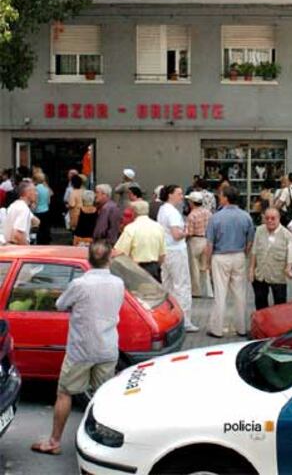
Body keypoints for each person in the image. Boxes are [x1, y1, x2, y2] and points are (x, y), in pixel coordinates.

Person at [30, 240, 124, 455]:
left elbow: (60, 304)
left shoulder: (80, 284)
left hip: (81, 349)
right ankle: (105, 445)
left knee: (64, 393)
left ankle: (54, 441)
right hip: (108, 348)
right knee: (104, 397)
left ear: (88, 259)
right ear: (110, 258)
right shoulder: (118, 283)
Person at [205, 186, 255, 338]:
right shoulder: (246, 216)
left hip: (220, 256)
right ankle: (241, 327)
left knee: (220, 294)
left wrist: (207, 262)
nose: (219, 197)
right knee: (240, 294)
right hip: (239, 255)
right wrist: (244, 254)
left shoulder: (216, 217)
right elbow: (250, 241)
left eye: (221, 195)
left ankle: (217, 328)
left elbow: (209, 244)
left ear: (226, 198)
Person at [157, 185, 199, 332]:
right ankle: (185, 320)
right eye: (179, 193)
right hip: (176, 251)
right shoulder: (173, 213)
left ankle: (168, 317)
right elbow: (176, 234)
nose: (182, 196)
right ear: (170, 195)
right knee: (182, 285)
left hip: (165, 250)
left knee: (167, 285)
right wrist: (186, 231)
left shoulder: (163, 209)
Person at [249, 207, 292, 310]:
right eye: (267, 218)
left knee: (279, 305)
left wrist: (288, 269)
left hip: (278, 275)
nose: (270, 221)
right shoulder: (259, 230)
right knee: (260, 302)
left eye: (273, 218)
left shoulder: (287, 235)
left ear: (279, 218)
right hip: (260, 274)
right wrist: (251, 269)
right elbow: (254, 251)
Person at [115, 201, 166, 282]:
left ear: (134, 212)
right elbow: (162, 255)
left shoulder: (131, 228)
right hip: (154, 268)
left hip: (135, 269)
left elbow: (119, 252)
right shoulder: (158, 227)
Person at [185, 191, 213, 297]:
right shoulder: (208, 213)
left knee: (194, 267)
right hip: (206, 240)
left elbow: (190, 232)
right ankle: (209, 291)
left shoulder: (192, 215)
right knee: (206, 267)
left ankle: (196, 292)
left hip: (195, 241)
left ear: (192, 202)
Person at [33, 171, 52, 245]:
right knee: (45, 228)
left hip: (38, 211)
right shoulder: (47, 189)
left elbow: (36, 201)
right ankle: (46, 242)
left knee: (39, 230)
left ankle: (39, 243)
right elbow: (49, 201)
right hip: (46, 210)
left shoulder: (36, 189)